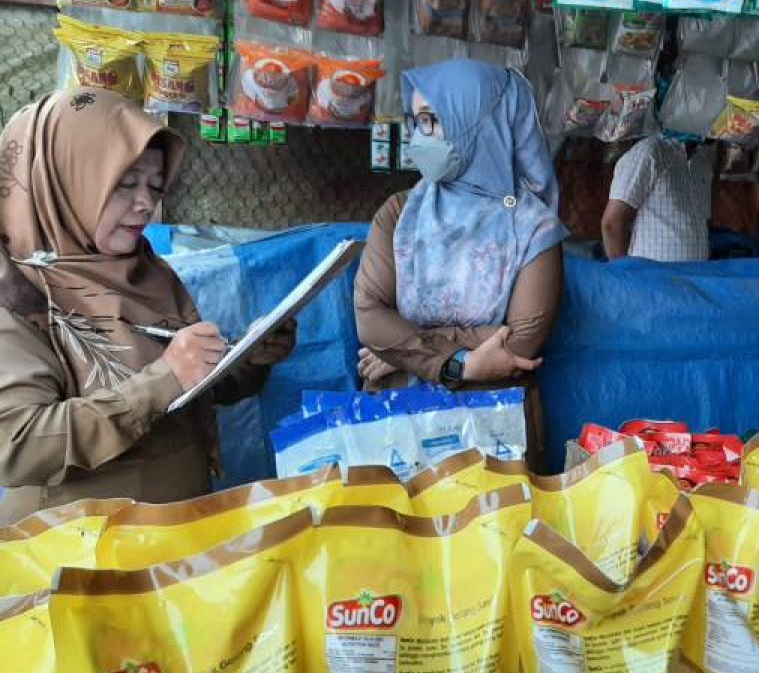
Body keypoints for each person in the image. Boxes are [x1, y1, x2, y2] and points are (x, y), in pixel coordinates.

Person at [0, 89, 296, 524]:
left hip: (170, 540)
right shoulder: (19, 293)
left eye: (155, 187)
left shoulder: (145, 273)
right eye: (124, 183)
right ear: (66, 180)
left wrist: (249, 357)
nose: (145, 203)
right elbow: (17, 445)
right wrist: (161, 381)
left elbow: (192, 392)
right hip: (83, 561)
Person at [354, 60, 568, 469]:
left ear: (478, 124)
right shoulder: (399, 214)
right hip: (399, 433)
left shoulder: (533, 227)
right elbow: (370, 317)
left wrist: (406, 350)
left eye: (431, 122)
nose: (419, 136)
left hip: (494, 438)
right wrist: (459, 363)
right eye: (416, 122)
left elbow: (520, 343)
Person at [601, 135, 714, 262]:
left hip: (696, 276)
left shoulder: (703, 161)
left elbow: (703, 222)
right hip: (652, 278)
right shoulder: (651, 151)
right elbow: (612, 224)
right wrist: (626, 275)